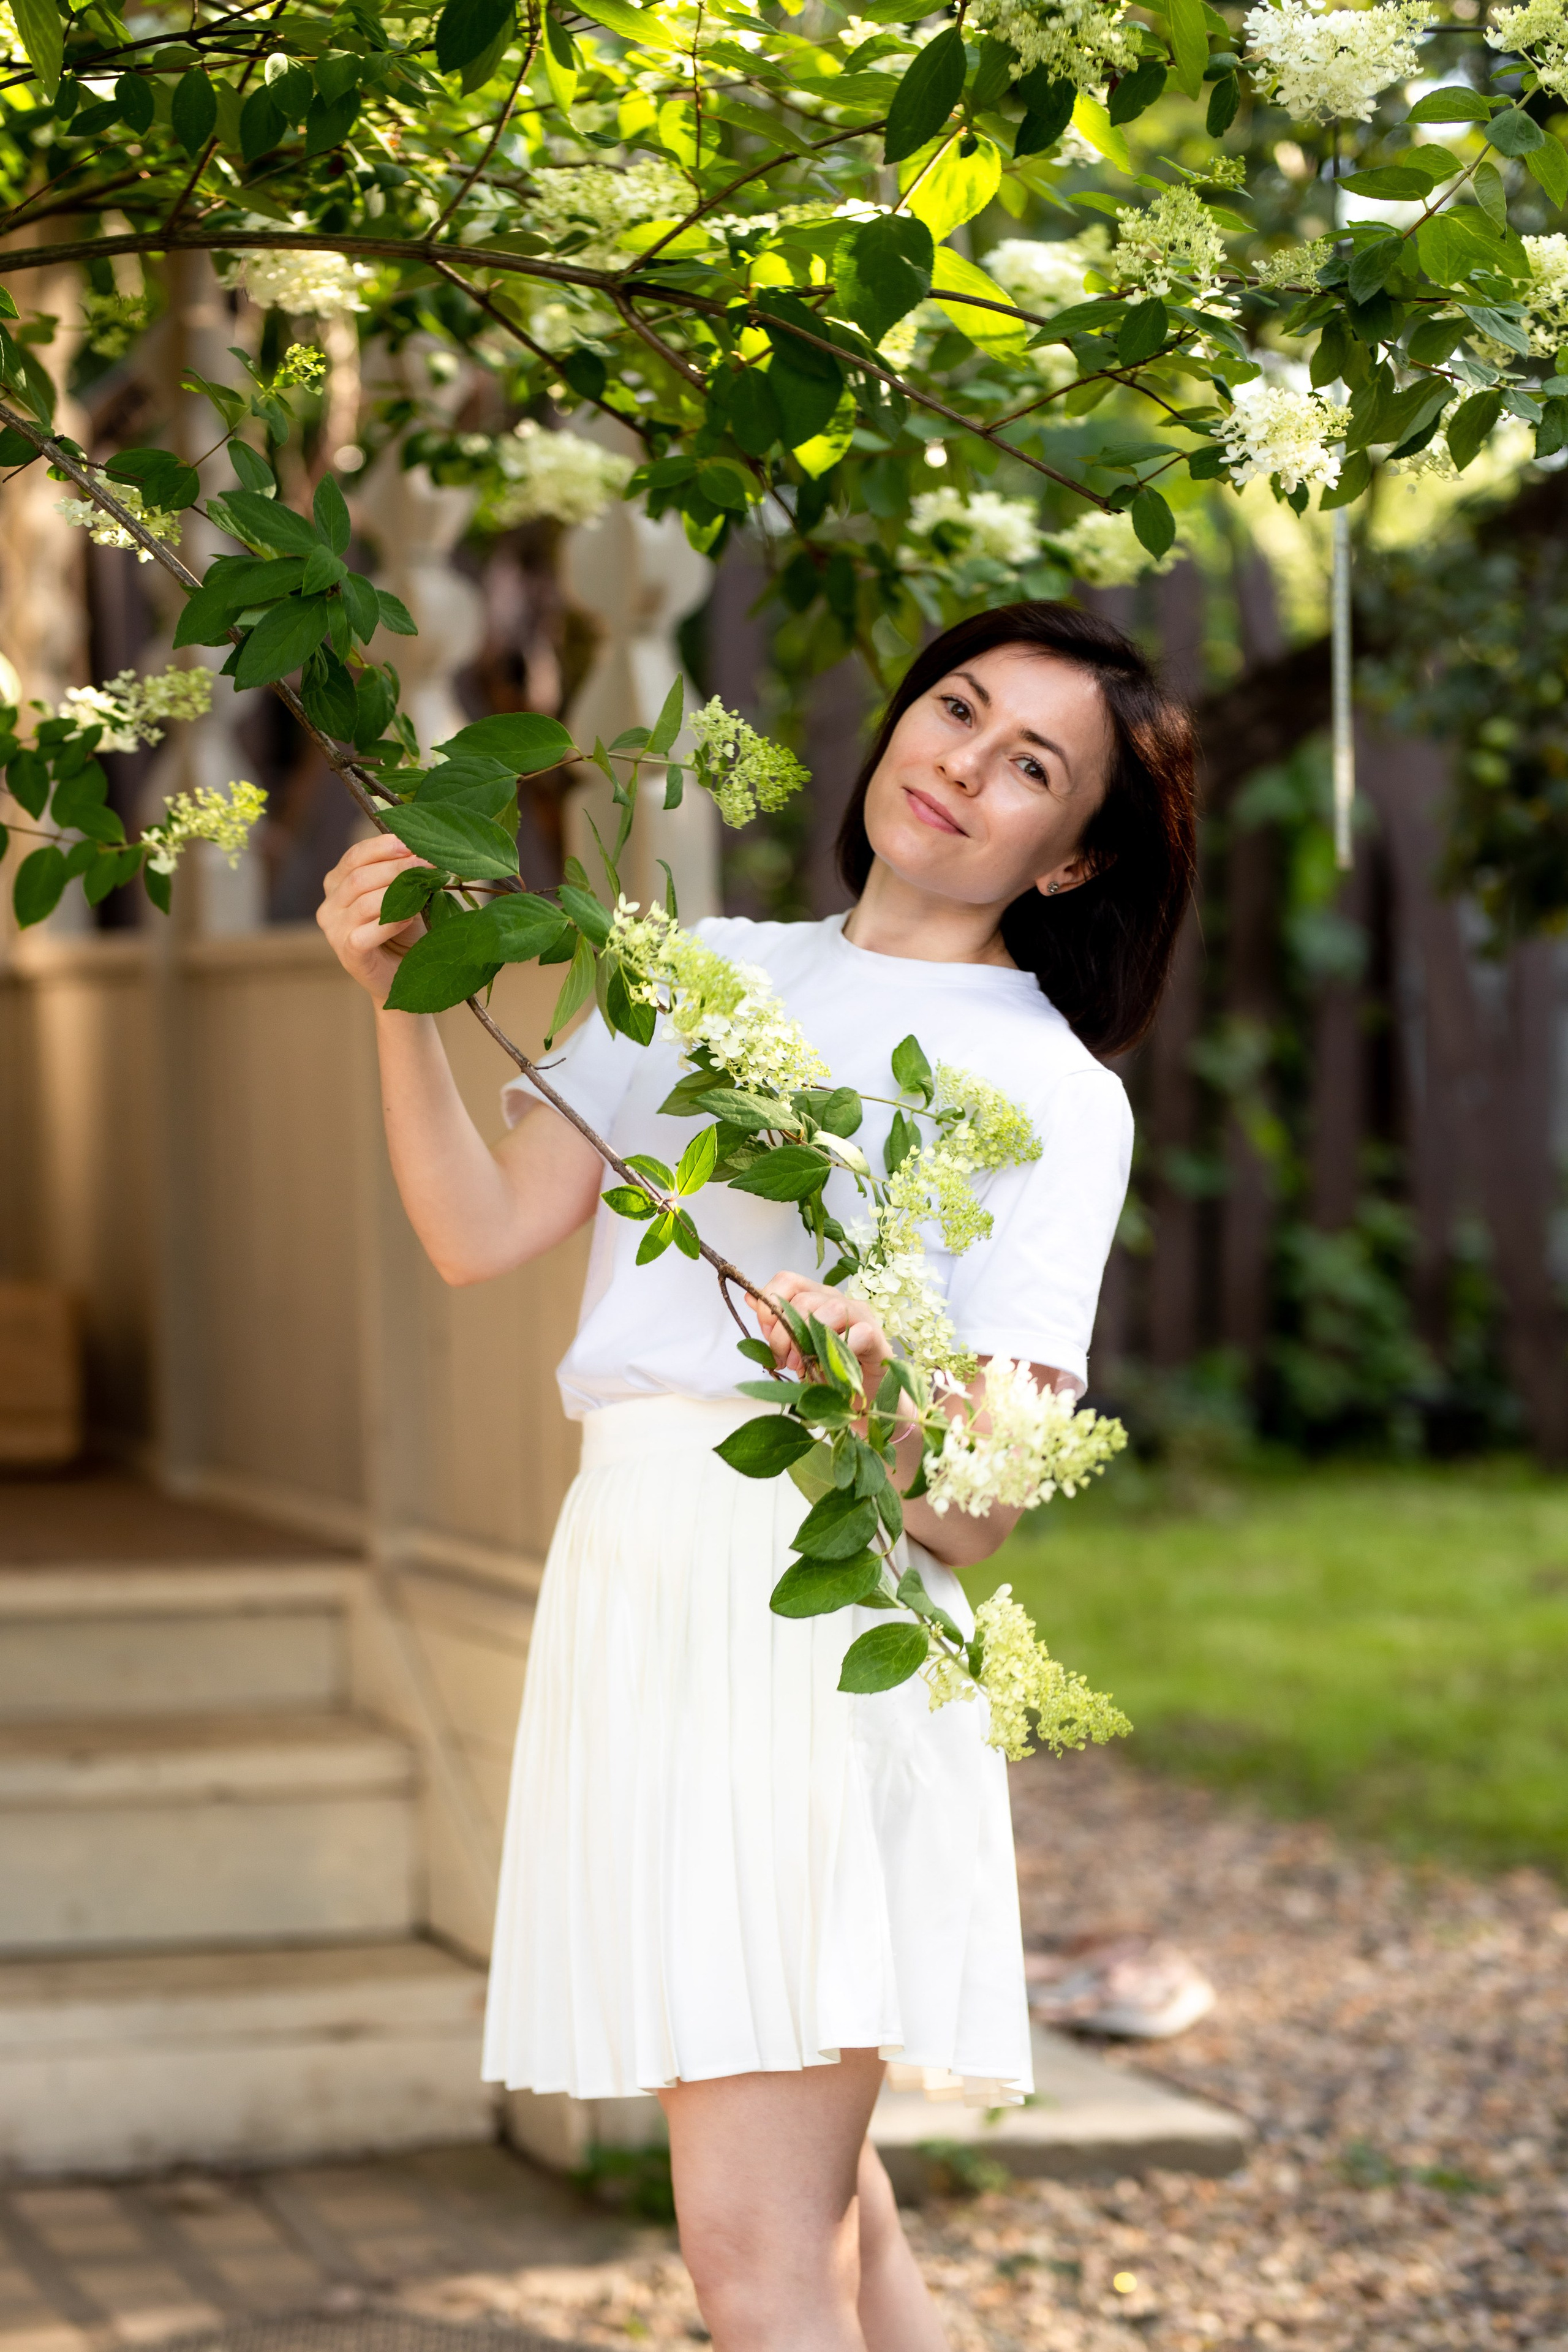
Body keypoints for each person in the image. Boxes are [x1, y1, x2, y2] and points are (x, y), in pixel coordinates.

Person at [317, 600, 1197, 2352]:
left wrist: (858, 1390)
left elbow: (974, 1509)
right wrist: (393, 1006)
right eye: (956, 707)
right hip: (635, 1585)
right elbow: (483, 1232)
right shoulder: (699, 970)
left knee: (749, 2243)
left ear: (1074, 854)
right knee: (820, 2197)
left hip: (819, 1627)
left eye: (1032, 764)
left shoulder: (1052, 1091)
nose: (964, 761)